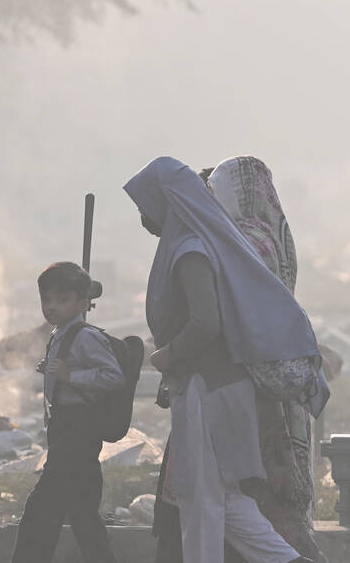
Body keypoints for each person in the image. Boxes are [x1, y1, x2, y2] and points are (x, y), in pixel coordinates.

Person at [124, 157, 322, 563]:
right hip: (214, 387)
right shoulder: (200, 242)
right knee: (221, 498)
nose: (144, 218)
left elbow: (206, 323)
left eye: (145, 206)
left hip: (207, 389)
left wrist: (168, 355)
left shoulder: (189, 250)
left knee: (203, 500)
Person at [11, 262, 125, 563]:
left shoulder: (86, 336)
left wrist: (70, 375)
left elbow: (113, 377)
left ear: (83, 303)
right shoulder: (61, 333)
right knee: (83, 513)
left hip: (78, 430)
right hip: (65, 428)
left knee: (41, 510)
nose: (52, 307)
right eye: (46, 300)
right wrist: (52, 370)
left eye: (62, 300)